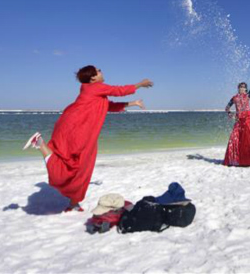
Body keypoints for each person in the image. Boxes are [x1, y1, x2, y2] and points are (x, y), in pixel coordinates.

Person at [23, 65, 153, 211]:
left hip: (82, 129)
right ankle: (40, 143)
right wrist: (140, 84)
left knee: (84, 165)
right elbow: (119, 90)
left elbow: (108, 106)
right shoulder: (96, 87)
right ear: (93, 77)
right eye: (98, 71)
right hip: (77, 127)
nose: (101, 71)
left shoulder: (95, 91)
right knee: (73, 163)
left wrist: (133, 103)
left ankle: (73, 203)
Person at [224, 68, 250, 167]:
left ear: (246, 89)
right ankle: (235, 161)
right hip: (238, 120)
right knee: (234, 139)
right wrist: (230, 114)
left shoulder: (248, 95)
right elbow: (227, 107)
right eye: (240, 87)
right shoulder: (234, 98)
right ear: (238, 88)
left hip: (248, 120)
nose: (242, 88)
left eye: (244, 87)